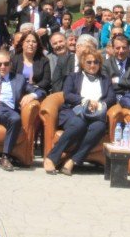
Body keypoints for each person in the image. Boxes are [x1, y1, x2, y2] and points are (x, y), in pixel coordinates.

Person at [43, 48, 117, 176]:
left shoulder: (105, 79)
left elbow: (111, 98)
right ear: (83, 63)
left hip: (96, 115)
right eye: (89, 62)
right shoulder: (73, 77)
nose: (92, 65)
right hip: (74, 112)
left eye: (96, 62)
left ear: (100, 64)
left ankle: (72, 160)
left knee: (99, 127)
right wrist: (85, 101)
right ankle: (52, 157)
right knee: (79, 123)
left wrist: (99, 104)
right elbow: (67, 94)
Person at [12, 30, 51, 94]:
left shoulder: (44, 61)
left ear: (37, 45)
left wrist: (35, 87)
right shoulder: (14, 59)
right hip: (17, 91)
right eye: (28, 41)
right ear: (22, 43)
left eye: (34, 42)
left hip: (36, 91)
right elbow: (11, 78)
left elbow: (46, 80)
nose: (31, 44)